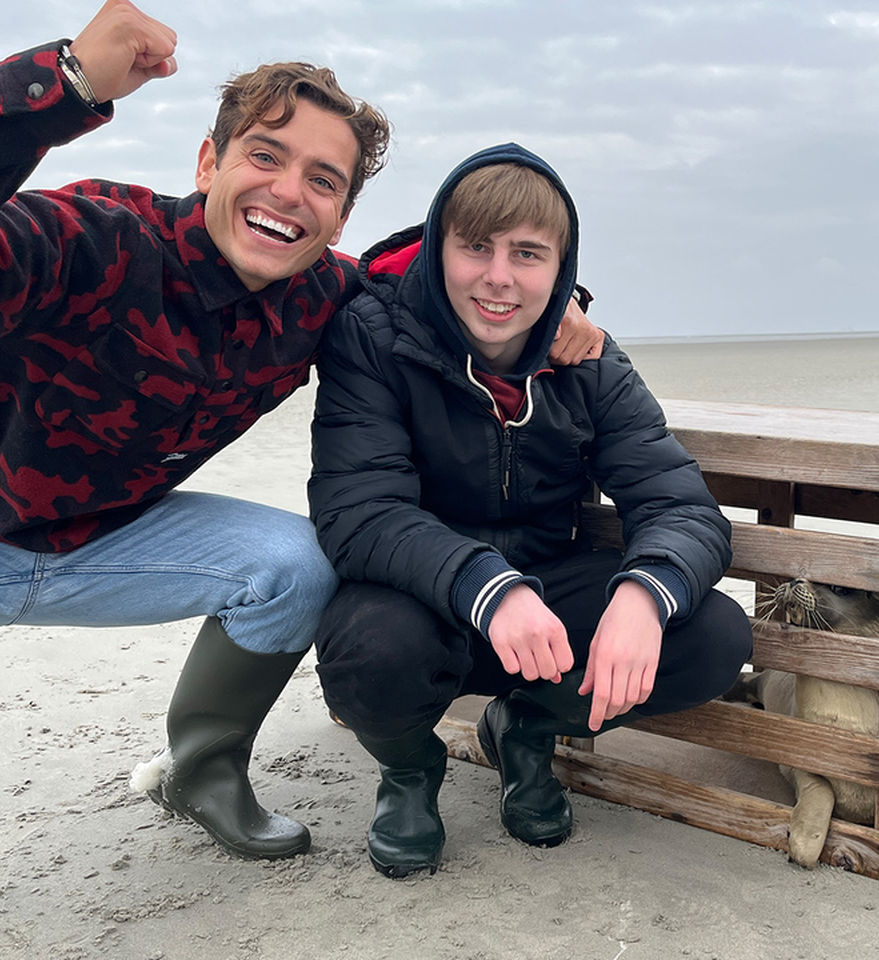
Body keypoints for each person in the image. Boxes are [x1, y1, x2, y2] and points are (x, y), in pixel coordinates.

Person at [2, 1, 602, 863]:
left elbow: (424, 281)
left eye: (323, 180)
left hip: (98, 540)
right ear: (207, 162)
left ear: (340, 217)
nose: (289, 193)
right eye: (265, 156)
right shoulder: (93, 240)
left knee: (296, 563)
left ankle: (200, 771)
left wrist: (560, 301)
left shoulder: (321, 297)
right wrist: (60, 82)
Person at [307, 143, 754, 878]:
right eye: (475, 247)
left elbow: (681, 504)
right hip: (421, 600)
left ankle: (526, 727)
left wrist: (645, 595)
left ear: (561, 269)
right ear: (438, 248)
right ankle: (410, 767)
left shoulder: (591, 361)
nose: (499, 277)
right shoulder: (372, 335)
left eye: (527, 254)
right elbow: (359, 511)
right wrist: (486, 585)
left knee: (711, 636)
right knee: (367, 652)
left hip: (547, 601)